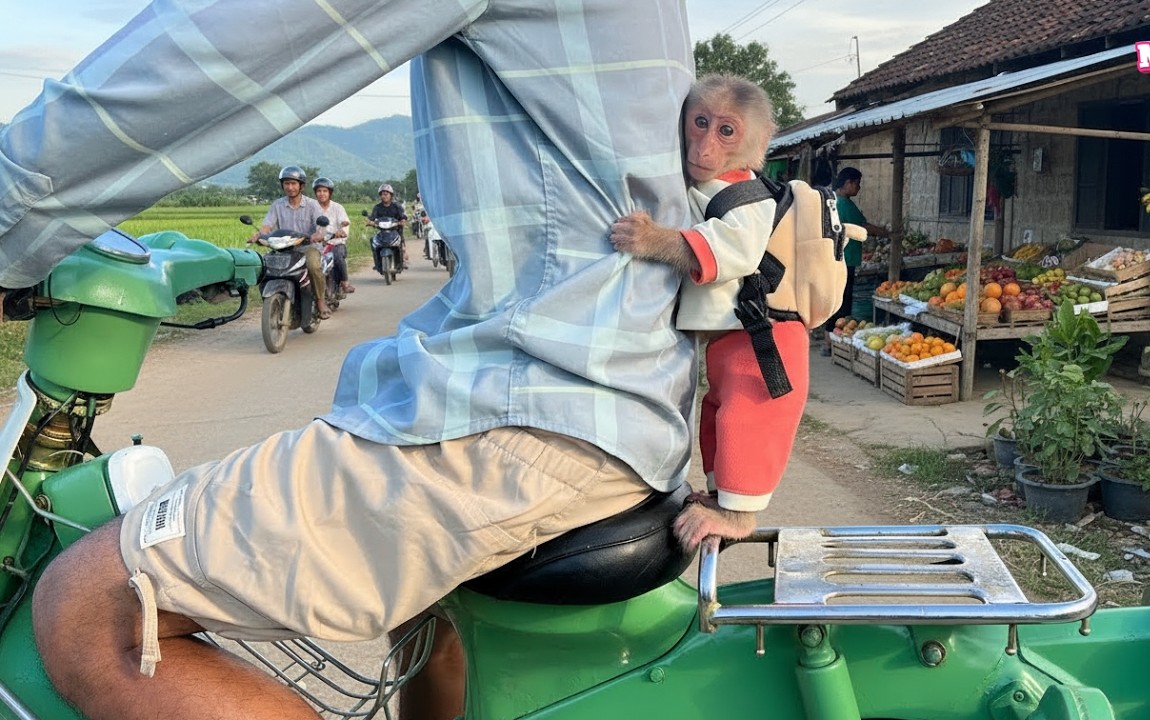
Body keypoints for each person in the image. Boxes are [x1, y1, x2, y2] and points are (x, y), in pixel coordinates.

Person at [0, 2, 702, 719]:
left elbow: (221, 50)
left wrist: (11, 201)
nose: (306, 192)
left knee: (90, 610)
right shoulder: (281, 207)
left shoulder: (332, 214)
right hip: (595, 395)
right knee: (426, 619)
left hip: (532, 407)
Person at [610, 75, 794, 545]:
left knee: (746, 416)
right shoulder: (712, 183)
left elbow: (734, 251)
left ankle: (738, 514)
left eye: (726, 131)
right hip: (734, 329)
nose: (705, 143)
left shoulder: (746, 193)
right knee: (714, 411)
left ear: (757, 143)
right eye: (700, 123)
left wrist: (655, 240)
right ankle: (720, 497)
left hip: (765, 332)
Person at [821, 166, 893, 356]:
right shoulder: (845, 204)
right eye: (857, 184)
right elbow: (865, 227)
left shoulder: (832, 201)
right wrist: (888, 233)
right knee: (842, 303)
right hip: (846, 261)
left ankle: (829, 340)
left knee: (834, 301)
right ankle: (833, 343)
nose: (859, 188)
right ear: (848, 183)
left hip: (832, 259)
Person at [256, 165, 331, 320]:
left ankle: (320, 301)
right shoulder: (277, 205)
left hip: (307, 247)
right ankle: (272, 300)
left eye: (293, 184)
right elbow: (267, 225)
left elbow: (321, 226)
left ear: (301, 186)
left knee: (313, 265)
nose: (290, 187)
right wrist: (259, 235)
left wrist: (318, 234)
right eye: (286, 184)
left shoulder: (312, 205)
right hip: (283, 248)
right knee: (264, 266)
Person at [313, 176, 355, 296]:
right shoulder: (312, 208)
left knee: (337, 256)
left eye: (325, 191)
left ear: (330, 193)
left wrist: (341, 230)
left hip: (335, 243)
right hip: (317, 244)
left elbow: (344, 221)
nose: (322, 194)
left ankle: (345, 282)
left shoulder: (338, 207)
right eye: (319, 191)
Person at [366, 183, 409, 273]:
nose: (384, 196)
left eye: (386, 194)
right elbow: (372, 217)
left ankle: (403, 258)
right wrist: (370, 222)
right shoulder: (377, 207)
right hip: (382, 231)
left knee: (400, 240)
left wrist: (402, 221)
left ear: (391, 195)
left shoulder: (396, 206)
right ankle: (377, 261)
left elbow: (403, 216)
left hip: (395, 230)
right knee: (373, 240)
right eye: (382, 194)